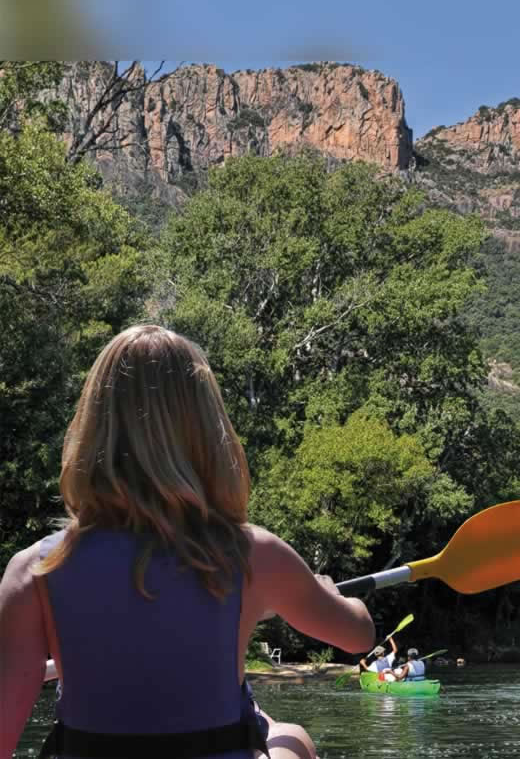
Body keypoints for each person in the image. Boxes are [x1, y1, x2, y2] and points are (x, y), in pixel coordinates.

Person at [0, 325, 376, 759]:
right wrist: (325, 592)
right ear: (206, 430)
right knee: (291, 736)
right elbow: (358, 636)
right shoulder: (254, 554)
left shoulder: (33, 570)